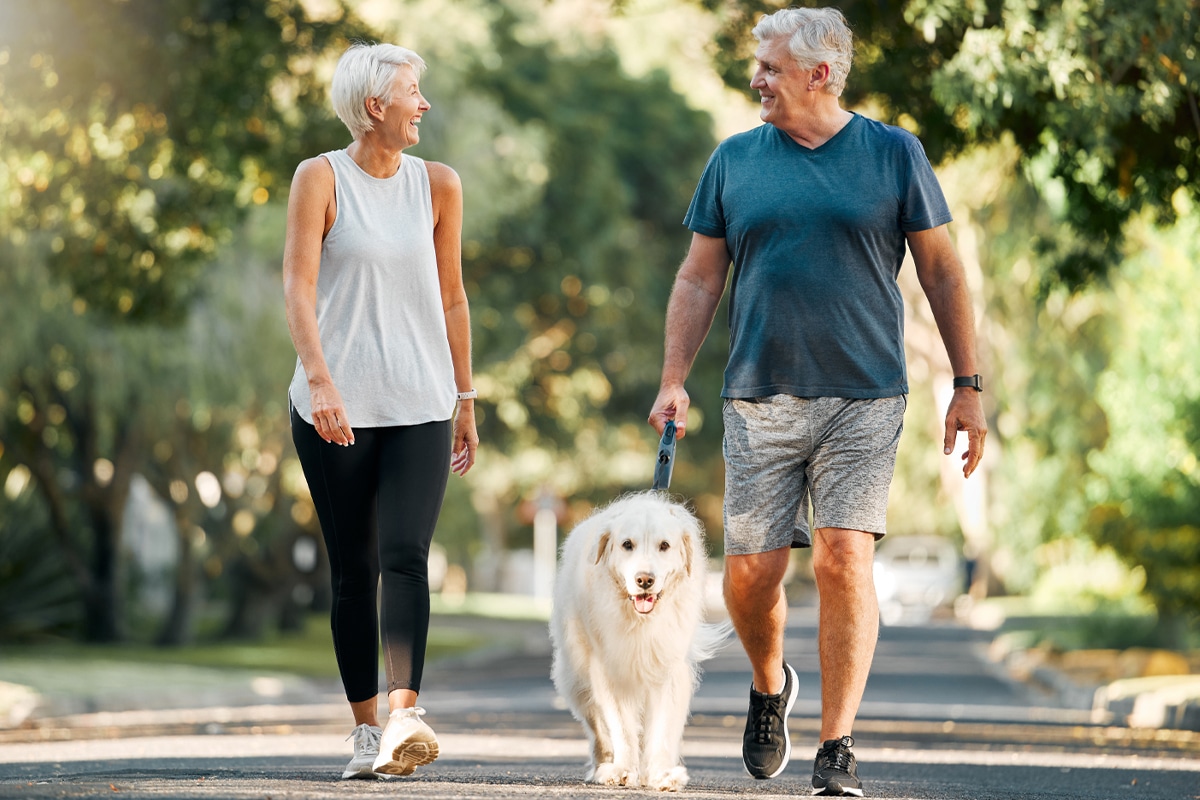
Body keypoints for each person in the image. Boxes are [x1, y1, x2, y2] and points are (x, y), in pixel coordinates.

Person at [648, 7, 986, 797]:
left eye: (769, 67)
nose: (756, 80)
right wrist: (673, 378)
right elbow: (698, 278)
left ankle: (838, 745)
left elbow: (941, 270)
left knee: (843, 556)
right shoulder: (734, 160)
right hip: (757, 393)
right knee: (749, 576)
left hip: (865, 393)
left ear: (820, 74)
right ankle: (771, 685)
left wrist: (967, 385)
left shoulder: (893, 154)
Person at [283, 42, 478, 781]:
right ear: (375, 106)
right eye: (411, 92)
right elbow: (299, 287)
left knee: (405, 556)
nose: (422, 104)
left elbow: (453, 296)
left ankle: (404, 718)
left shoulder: (439, 185)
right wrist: (321, 382)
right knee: (353, 567)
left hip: (420, 402)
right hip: (334, 407)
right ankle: (366, 730)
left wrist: (465, 397)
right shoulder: (320, 177)